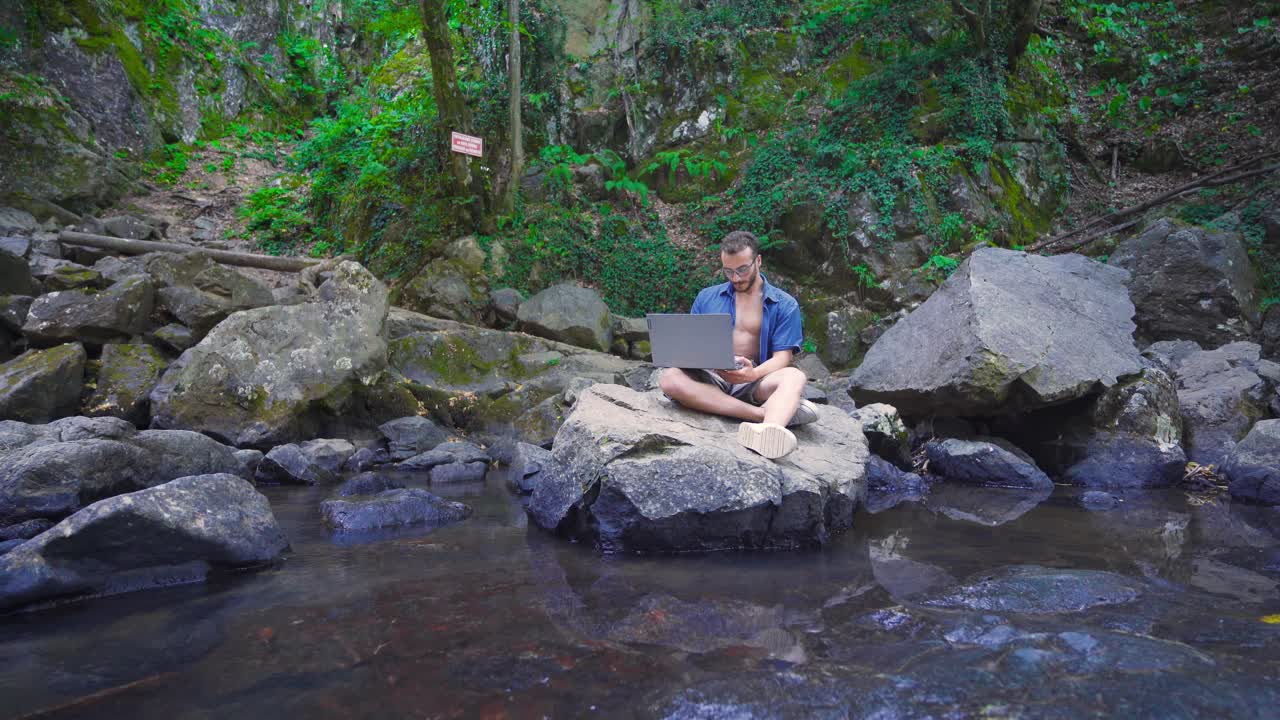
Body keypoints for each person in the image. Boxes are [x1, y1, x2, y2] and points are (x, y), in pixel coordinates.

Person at [658, 230, 818, 460]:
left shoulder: (784, 304)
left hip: (756, 380)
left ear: (758, 261)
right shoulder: (706, 297)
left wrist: (752, 374)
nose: (736, 278)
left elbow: (782, 358)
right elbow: (691, 344)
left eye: (742, 269)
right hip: (712, 377)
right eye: (729, 271)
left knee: (794, 376)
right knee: (669, 379)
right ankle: (765, 417)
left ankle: (766, 434)